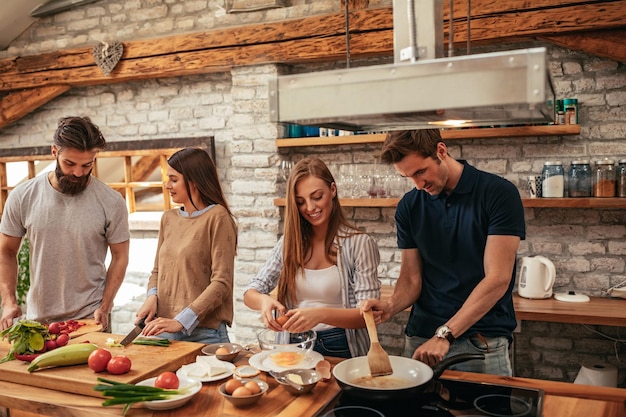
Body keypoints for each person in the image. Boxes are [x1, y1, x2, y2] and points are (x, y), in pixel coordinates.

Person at [362, 129, 525, 376]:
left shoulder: (498, 193)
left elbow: (497, 279)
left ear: (440, 151)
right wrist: (390, 305)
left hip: (480, 342)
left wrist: (445, 333)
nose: (418, 185)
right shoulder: (409, 205)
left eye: (420, 172)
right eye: (409, 177)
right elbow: (411, 279)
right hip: (422, 338)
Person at [0, 116, 130, 331]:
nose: (78, 173)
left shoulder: (112, 201)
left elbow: (120, 256)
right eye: (69, 163)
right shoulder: (23, 196)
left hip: (90, 319)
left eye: (87, 165)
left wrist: (106, 306)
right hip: (38, 320)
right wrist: (8, 302)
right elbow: (6, 251)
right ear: (54, 152)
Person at [244, 156, 381, 359]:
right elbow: (250, 293)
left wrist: (320, 314)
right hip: (293, 344)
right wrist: (263, 301)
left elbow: (368, 315)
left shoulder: (359, 244)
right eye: (300, 202)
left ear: (332, 190)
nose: (309, 208)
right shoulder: (289, 243)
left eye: (317, 197)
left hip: (341, 344)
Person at [134, 147, 237, 344]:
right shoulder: (168, 218)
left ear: (194, 181)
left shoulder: (218, 217)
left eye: (174, 180)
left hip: (205, 334)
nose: (167, 185)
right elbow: (157, 270)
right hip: (164, 329)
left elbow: (221, 282)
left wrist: (181, 321)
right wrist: (151, 297)